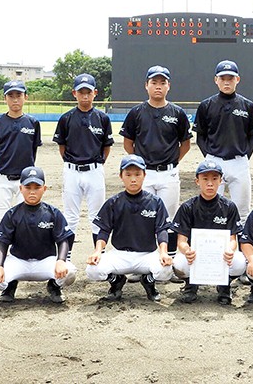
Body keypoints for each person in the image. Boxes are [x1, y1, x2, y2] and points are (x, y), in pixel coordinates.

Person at [119, 65, 192, 273]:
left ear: (169, 86)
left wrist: (171, 161)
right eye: (154, 82)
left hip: (168, 173)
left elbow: (185, 144)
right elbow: (128, 143)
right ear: (146, 85)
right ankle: (140, 265)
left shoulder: (177, 113)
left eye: (162, 82)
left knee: (167, 219)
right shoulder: (137, 112)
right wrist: (139, 166)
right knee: (142, 217)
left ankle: (166, 263)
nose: (158, 87)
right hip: (144, 174)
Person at [85, 155, 172, 302]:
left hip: (147, 255)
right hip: (120, 254)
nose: (133, 179)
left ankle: (148, 281)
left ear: (144, 175)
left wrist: (163, 253)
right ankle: (116, 281)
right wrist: (98, 251)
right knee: (92, 270)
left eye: (137, 174)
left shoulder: (155, 202)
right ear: (121, 176)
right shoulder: (113, 202)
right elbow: (104, 230)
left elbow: (161, 230)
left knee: (166, 270)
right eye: (128, 174)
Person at [0, 166, 76, 303]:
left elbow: (63, 240)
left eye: (37, 187)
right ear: (20, 188)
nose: (32, 192)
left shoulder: (53, 213)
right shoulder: (12, 214)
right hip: (18, 261)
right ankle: (10, 285)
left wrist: (61, 260)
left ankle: (54, 285)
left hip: (45, 261)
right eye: (28, 187)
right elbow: (2, 243)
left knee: (70, 272)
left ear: (44, 189)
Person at [171, 160, 247, 305]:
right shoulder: (188, 207)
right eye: (205, 179)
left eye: (214, 179)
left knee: (240, 262)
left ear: (220, 181)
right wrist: (187, 251)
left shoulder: (229, 207)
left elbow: (233, 239)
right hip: (196, 255)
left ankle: (224, 285)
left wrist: (230, 250)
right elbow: (181, 241)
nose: (210, 183)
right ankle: (190, 285)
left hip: (220, 255)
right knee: (179, 263)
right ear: (197, 181)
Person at [193, 60, 253, 220]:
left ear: (237, 79)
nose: (227, 82)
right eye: (223, 78)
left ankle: (238, 245)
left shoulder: (247, 106)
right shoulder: (206, 105)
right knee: (211, 208)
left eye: (231, 78)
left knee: (242, 212)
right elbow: (200, 136)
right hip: (214, 162)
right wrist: (210, 156)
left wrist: (243, 157)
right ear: (216, 80)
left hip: (239, 162)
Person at [53, 73, 113, 245]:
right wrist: (71, 162)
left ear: (95, 92)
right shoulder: (66, 118)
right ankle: (67, 258)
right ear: (74, 93)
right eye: (81, 92)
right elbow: (62, 146)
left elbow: (106, 146)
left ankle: (98, 255)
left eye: (88, 92)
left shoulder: (102, 118)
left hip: (95, 170)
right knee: (70, 217)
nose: (85, 96)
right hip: (72, 171)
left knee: (97, 216)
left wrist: (98, 163)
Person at [0, 80, 42, 263]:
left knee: (24, 219)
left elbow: (32, 151)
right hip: (3, 178)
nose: (15, 99)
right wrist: (5, 167)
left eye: (19, 95)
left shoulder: (33, 123)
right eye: (11, 95)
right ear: (5, 99)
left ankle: (20, 258)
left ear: (25, 97)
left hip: (25, 182)